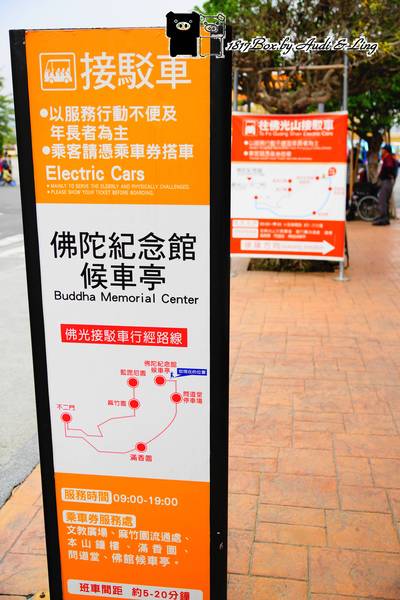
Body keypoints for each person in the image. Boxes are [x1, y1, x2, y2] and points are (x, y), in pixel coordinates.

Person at [373, 144, 398, 226]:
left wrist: (383, 175)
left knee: (382, 200)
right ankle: (385, 218)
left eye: (383, 149)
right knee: (385, 200)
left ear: (386, 150)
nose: (381, 151)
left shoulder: (388, 158)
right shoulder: (388, 158)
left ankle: (383, 218)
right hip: (388, 181)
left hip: (386, 181)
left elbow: (389, 167)